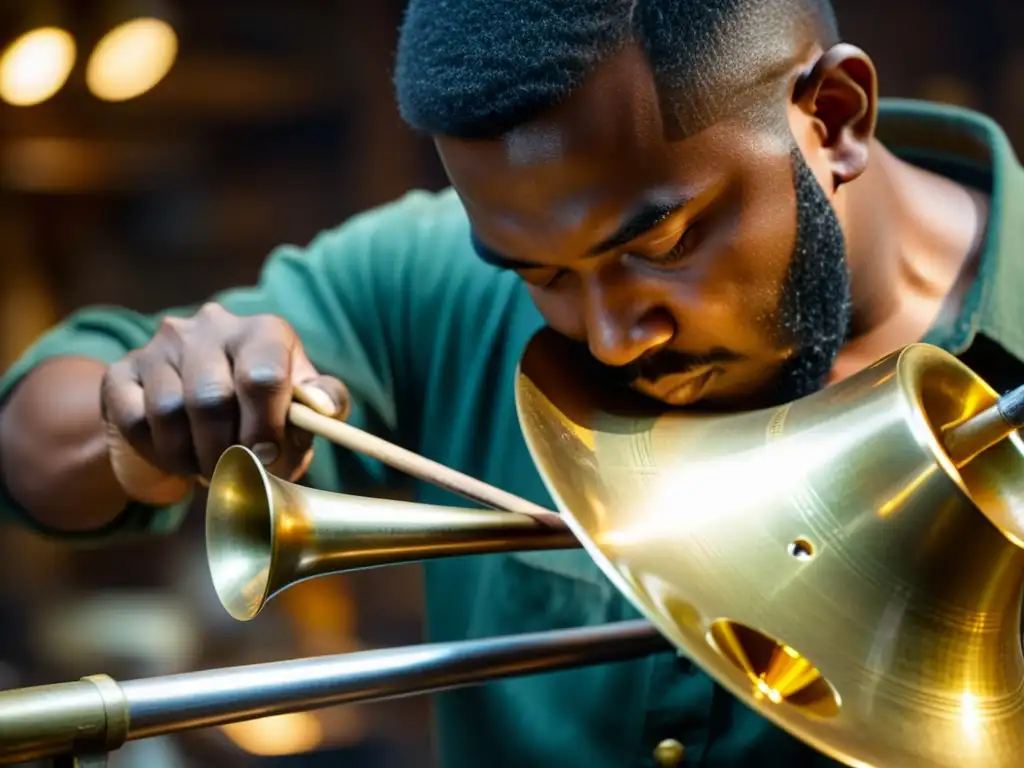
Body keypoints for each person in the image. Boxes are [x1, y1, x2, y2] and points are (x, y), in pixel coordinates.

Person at [1, 0, 1022, 765]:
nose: (614, 337)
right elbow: (31, 440)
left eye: (660, 241)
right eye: (542, 276)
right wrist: (136, 429)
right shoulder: (432, 273)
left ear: (832, 116)